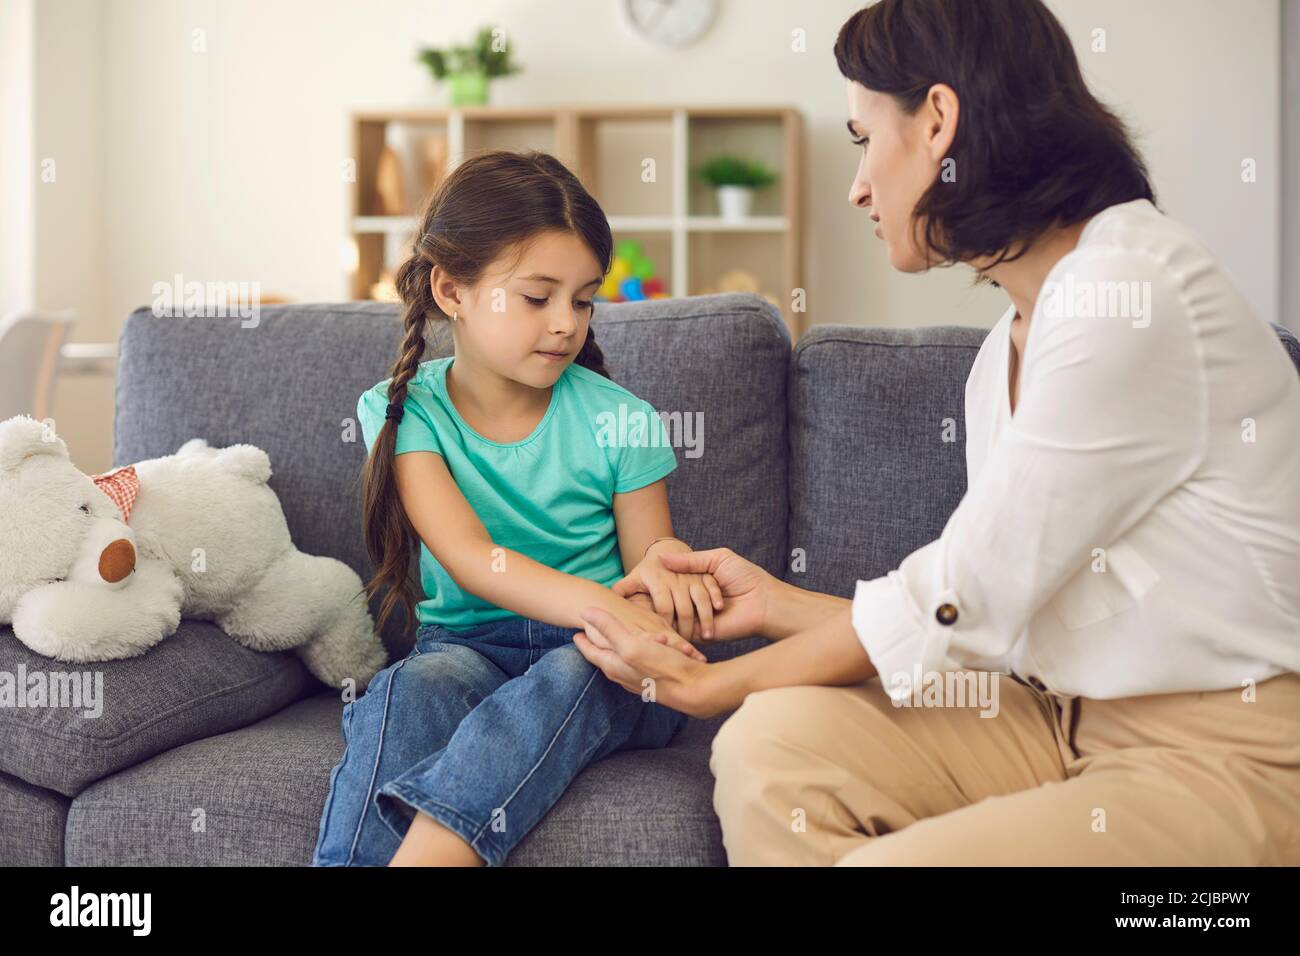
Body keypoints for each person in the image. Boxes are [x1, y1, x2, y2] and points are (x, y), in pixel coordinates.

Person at [574, 0, 1300, 865]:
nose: (856, 186)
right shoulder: (1007, 348)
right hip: (1049, 717)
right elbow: (980, 621)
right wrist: (774, 605)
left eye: (861, 139)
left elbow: (964, 593)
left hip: (1228, 755)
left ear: (939, 122)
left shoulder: (1129, 296)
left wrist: (706, 684)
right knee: (773, 747)